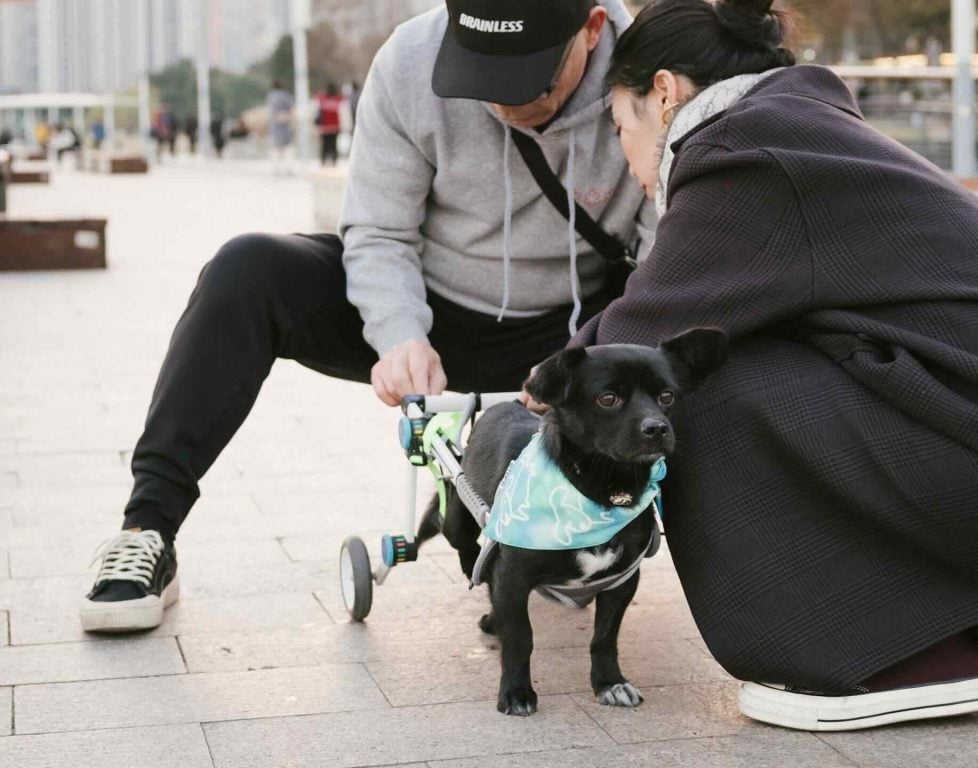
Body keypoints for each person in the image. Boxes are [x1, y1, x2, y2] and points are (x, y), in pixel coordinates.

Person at [79, 0, 656, 634]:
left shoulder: (653, 69)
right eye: (482, 81)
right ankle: (147, 531)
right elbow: (379, 230)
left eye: (528, 82)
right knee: (245, 270)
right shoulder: (409, 61)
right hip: (431, 311)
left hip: (576, 338)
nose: (506, 106)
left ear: (593, 27)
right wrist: (398, 332)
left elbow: (668, 256)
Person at [578, 0, 978, 732]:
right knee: (780, 357)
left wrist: (537, 395)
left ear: (663, 92)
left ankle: (879, 660)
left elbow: (637, 339)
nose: (627, 157)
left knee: (696, 392)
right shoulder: (795, 128)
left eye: (621, 124)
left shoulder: (742, 153)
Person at [266, 80, 295, 174]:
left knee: (276, 148)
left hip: (275, 125)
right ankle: (288, 168)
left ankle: (276, 168)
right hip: (285, 124)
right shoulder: (286, 95)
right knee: (288, 148)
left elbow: (270, 112)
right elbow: (291, 109)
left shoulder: (271, 96)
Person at [315, 82, 343, 166]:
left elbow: (318, 108)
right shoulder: (338, 99)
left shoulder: (322, 99)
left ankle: (323, 161)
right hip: (335, 126)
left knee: (324, 145)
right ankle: (334, 160)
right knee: (333, 144)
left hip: (325, 127)